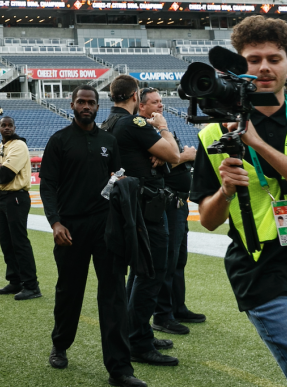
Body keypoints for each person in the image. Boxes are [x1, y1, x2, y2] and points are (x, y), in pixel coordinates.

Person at [191, 15, 287, 387]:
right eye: (253, 59)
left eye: (274, 58)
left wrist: (258, 145)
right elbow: (209, 219)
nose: (263, 67)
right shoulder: (215, 133)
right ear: (237, 67)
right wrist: (225, 191)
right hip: (261, 273)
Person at [40, 85, 144, 387]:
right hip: (70, 227)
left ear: (98, 107)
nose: (86, 106)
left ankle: (120, 369)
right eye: (81, 102)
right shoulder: (59, 141)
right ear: (72, 105)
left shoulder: (109, 141)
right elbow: (47, 186)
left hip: (106, 227)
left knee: (114, 295)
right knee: (69, 291)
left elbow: (117, 178)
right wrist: (55, 223)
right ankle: (60, 344)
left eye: (91, 102)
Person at [104, 76, 182, 366]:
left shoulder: (109, 123)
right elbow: (173, 154)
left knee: (138, 272)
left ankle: (136, 332)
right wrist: (162, 129)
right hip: (146, 205)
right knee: (152, 271)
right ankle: (138, 340)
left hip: (128, 205)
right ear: (136, 96)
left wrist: (152, 149)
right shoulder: (134, 123)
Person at [136, 89, 206, 332]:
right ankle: (162, 315)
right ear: (141, 105)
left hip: (179, 202)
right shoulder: (140, 128)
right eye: (155, 102)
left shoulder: (158, 128)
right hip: (164, 203)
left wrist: (176, 157)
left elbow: (168, 157)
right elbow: (159, 161)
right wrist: (185, 156)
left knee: (179, 259)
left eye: (161, 101)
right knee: (165, 260)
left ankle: (178, 306)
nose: (160, 105)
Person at [0, 115, 40, 300]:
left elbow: (4, 175)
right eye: (4, 125)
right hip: (2, 198)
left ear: (14, 127)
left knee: (19, 242)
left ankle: (32, 285)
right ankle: (15, 280)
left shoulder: (19, 145)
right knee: (6, 242)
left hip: (17, 197)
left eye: (10, 125)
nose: (7, 128)